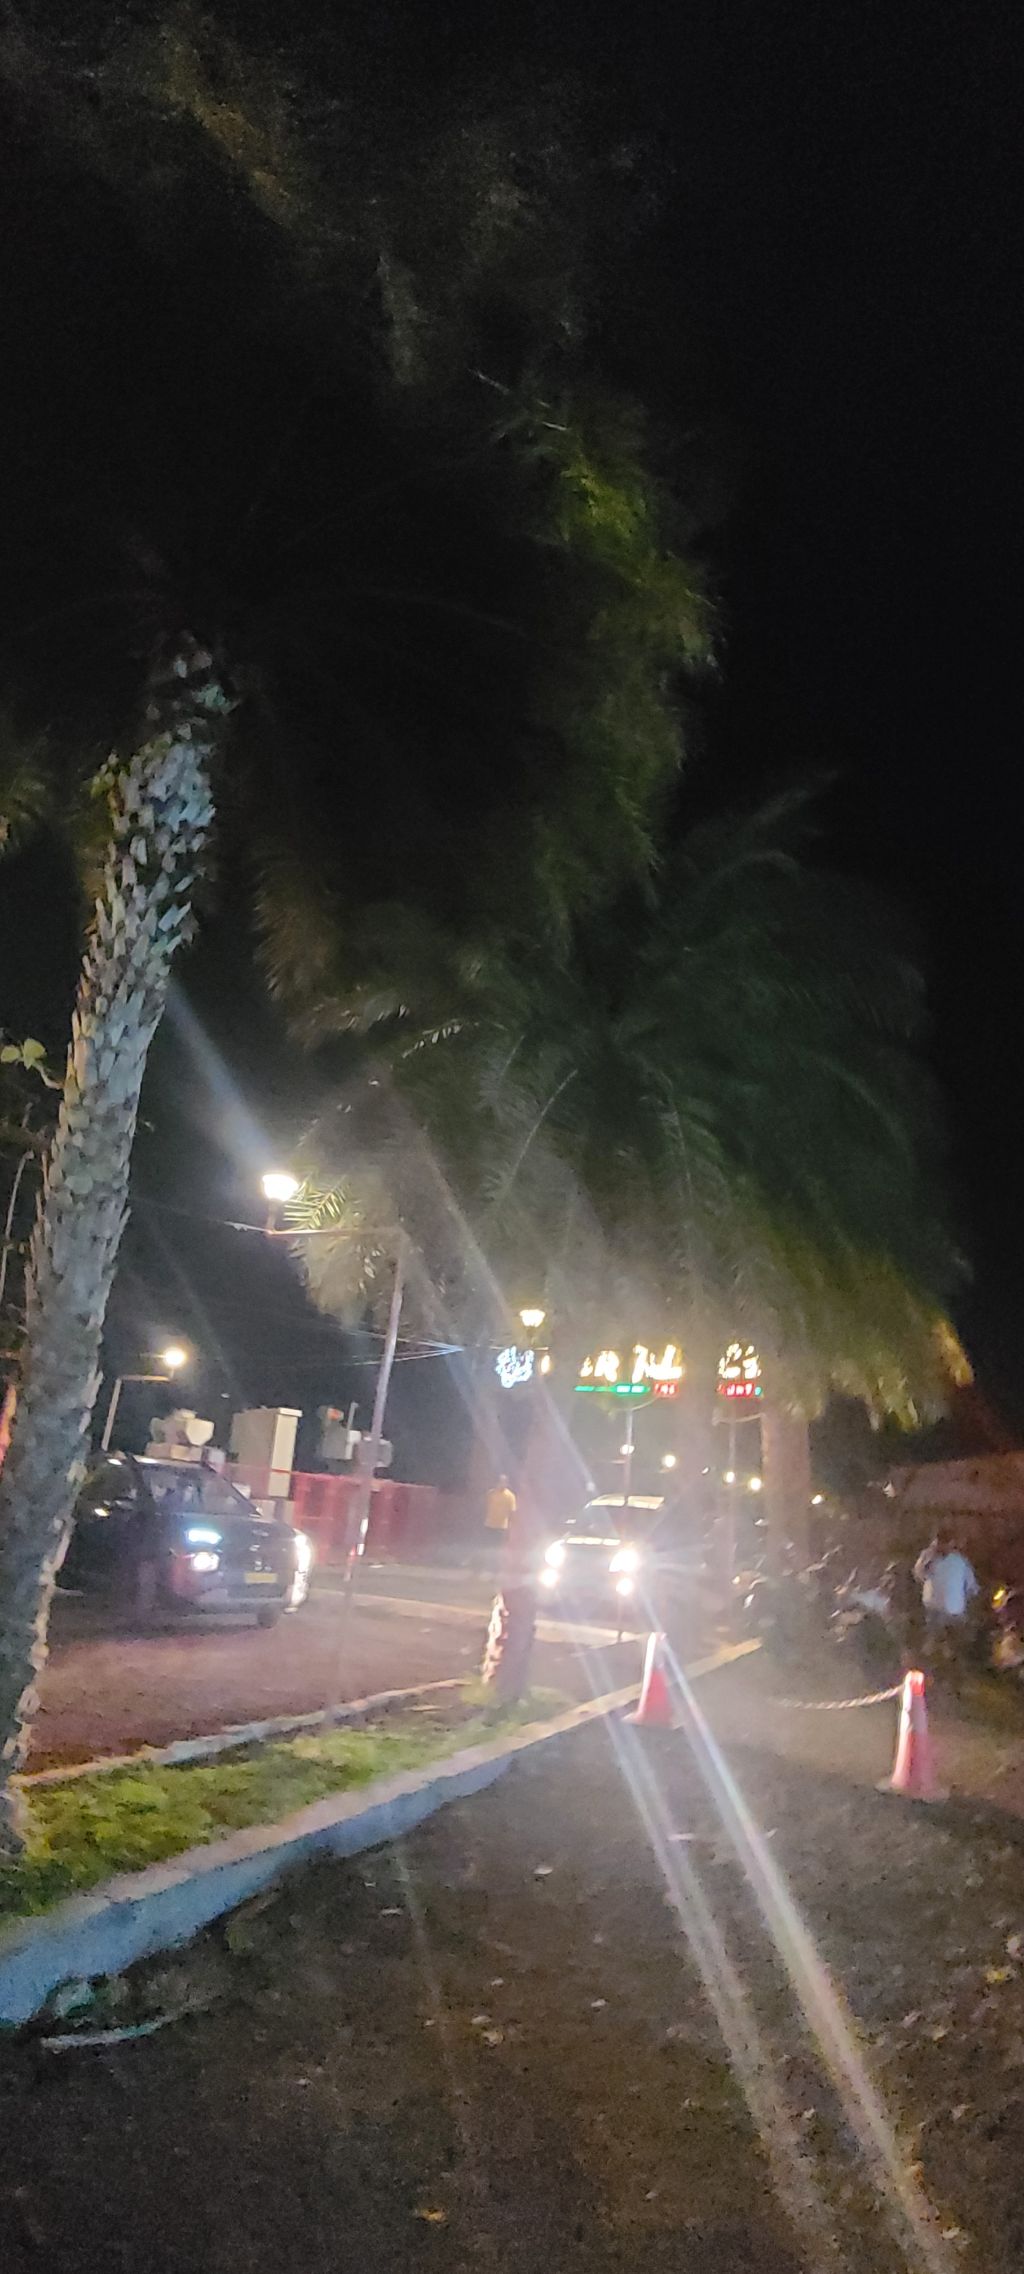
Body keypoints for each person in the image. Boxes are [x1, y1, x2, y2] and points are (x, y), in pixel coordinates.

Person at [913, 1530, 979, 1667]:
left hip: (954, 1611)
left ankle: (951, 1664)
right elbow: (919, 1574)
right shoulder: (929, 1558)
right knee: (931, 1644)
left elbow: (971, 1586)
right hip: (934, 1609)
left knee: (953, 1646)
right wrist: (928, 1560)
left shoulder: (960, 1561)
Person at [484, 1474, 516, 1557]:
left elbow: (512, 1512)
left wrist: (510, 1527)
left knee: (498, 1548)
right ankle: (488, 1561)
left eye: (504, 1482)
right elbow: (486, 1507)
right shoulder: (490, 1494)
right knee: (488, 1546)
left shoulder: (510, 1496)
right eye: (500, 1482)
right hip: (489, 1525)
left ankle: (497, 1563)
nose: (502, 1484)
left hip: (502, 1527)